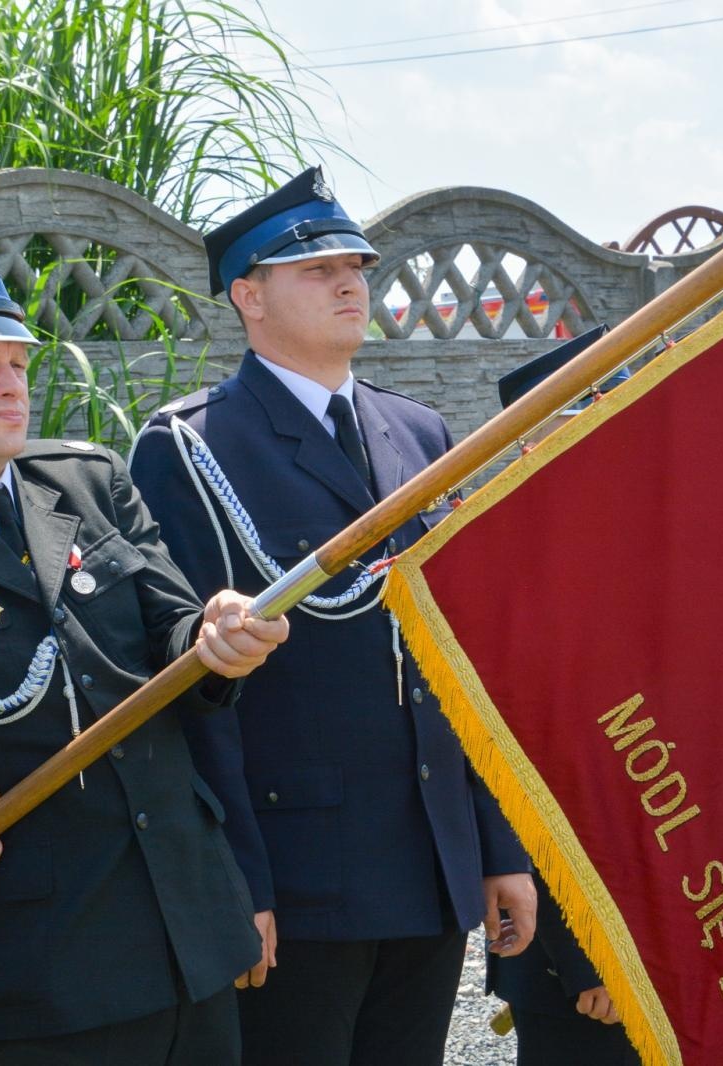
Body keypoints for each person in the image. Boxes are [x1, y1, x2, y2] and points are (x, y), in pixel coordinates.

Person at [0, 233, 289, 1066]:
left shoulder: (88, 480)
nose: (10, 383)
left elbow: (175, 635)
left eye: (17, 362)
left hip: (191, 921)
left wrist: (219, 635)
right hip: (46, 956)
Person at [128, 166, 536, 1066]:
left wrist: (497, 842)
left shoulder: (418, 433)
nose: (351, 281)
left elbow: (454, 661)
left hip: (428, 856)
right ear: (248, 296)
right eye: (316, 269)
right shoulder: (193, 445)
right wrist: (236, 874)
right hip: (300, 866)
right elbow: (191, 677)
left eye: (355, 263)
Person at [484, 330, 641, 1066]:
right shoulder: (514, 591)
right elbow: (522, 792)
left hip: (690, 937)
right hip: (578, 964)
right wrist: (592, 956)